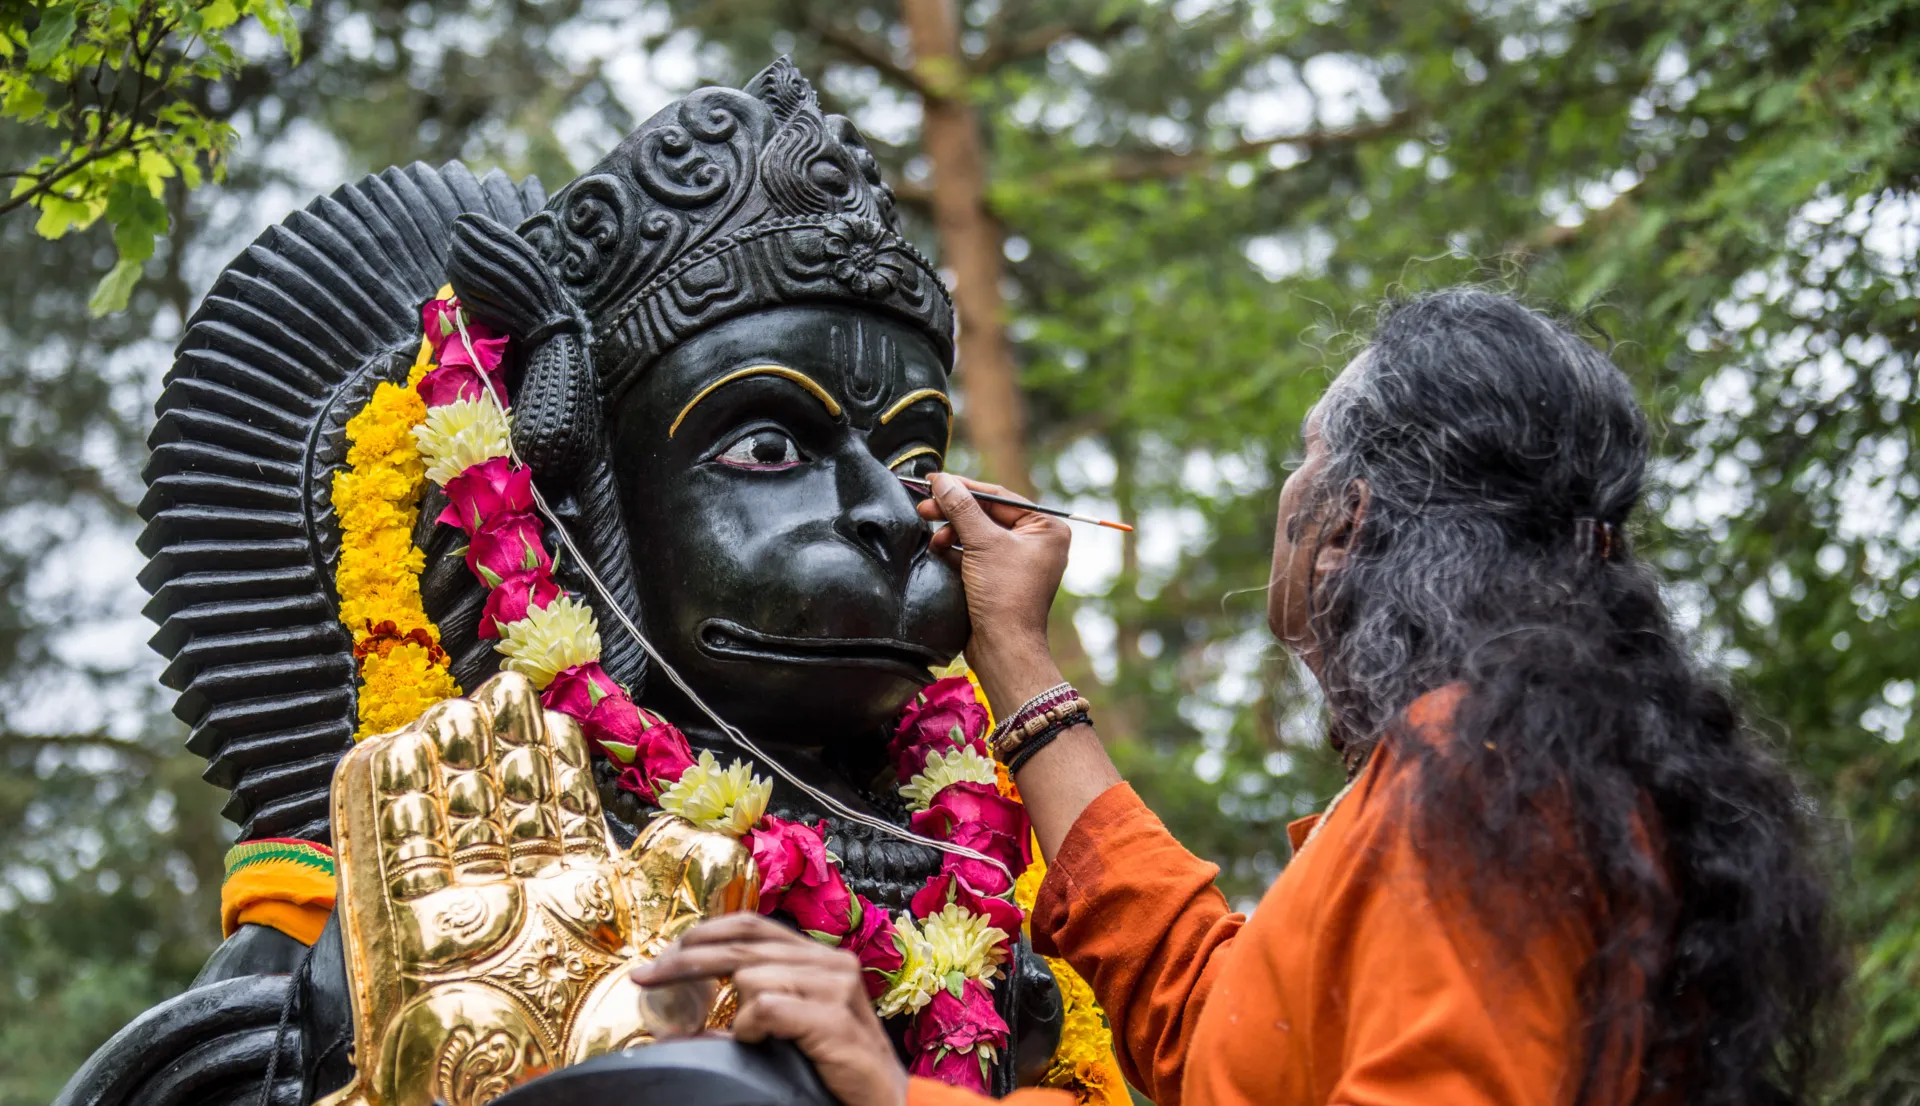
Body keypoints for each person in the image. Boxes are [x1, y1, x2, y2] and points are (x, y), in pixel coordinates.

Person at [632, 290, 1842, 1106]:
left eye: (1301, 461)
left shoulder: (1477, 774)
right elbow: (1214, 1026)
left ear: (1348, 524)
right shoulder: (1523, 765)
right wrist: (1015, 651)